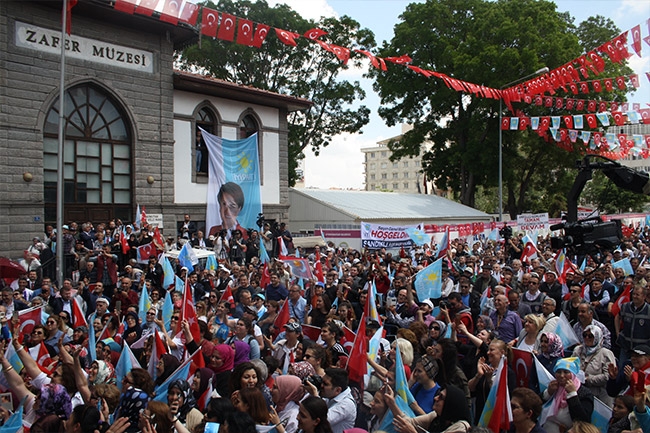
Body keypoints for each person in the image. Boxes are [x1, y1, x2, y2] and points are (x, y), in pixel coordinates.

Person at [387, 384, 471, 433]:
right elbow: (409, 422)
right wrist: (391, 403)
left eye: (441, 397)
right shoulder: (436, 416)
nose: (435, 398)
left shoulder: (461, 427)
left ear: (451, 405)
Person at [540, 357, 594, 433]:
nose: (562, 376)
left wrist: (572, 395)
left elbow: (583, 420)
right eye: (558, 372)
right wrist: (548, 393)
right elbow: (537, 404)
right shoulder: (554, 386)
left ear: (573, 374)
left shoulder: (584, 393)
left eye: (566, 372)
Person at [572, 324, 616, 406]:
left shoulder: (606, 353)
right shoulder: (578, 350)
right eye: (585, 335)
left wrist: (588, 379)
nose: (587, 338)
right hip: (580, 393)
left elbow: (608, 376)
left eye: (590, 336)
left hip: (600, 396)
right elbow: (571, 367)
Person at [305, 368, 356, 433]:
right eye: (322, 381)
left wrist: (315, 395)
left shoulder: (347, 404)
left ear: (338, 390)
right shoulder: (330, 394)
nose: (321, 386)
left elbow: (322, 421)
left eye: (325, 384)